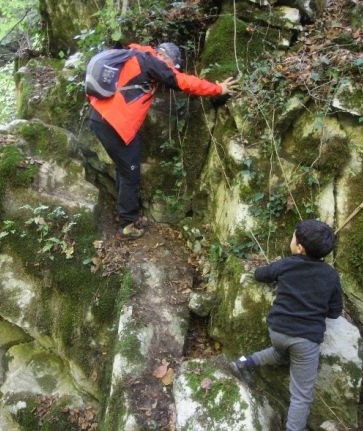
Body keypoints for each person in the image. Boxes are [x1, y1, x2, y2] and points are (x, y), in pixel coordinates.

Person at [87, 42, 238, 240]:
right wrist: (218, 89)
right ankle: (127, 225)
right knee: (131, 173)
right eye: (171, 65)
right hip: (113, 123)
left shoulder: (135, 55)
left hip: (101, 117)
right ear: (164, 56)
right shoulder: (151, 61)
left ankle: (124, 212)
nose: (170, 68)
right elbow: (182, 81)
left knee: (125, 168)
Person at [229, 219, 343, 431]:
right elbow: (335, 312)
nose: (291, 239)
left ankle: (244, 362)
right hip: (305, 341)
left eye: (293, 237)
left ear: (299, 247)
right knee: (302, 395)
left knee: (281, 354)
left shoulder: (286, 264)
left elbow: (260, 274)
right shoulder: (331, 275)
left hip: (278, 331)